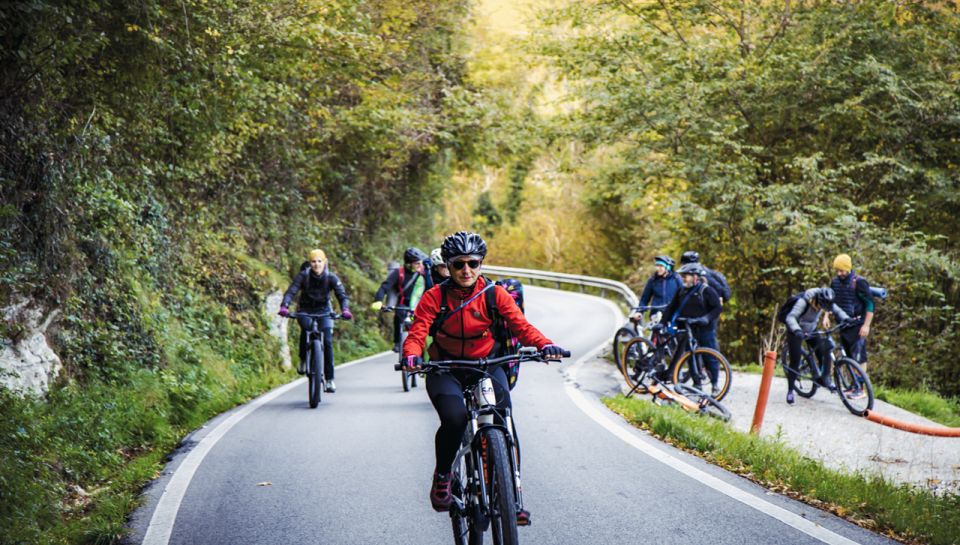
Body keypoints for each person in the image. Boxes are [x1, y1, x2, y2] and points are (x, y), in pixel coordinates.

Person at [401, 231, 567, 522]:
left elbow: (521, 326)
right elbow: (417, 333)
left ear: (481, 264)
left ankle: (511, 497)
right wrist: (411, 356)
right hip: (446, 368)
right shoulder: (434, 297)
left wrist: (544, 344)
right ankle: (443, 475)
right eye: (459, 264)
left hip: (487, 364)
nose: (466, 270)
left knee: (504, 418)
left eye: (473, 263)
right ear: (448, 266)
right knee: (455, 418)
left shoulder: (494, 294)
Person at [278, 249, 352, 393]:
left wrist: (345, 310)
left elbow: (342, 295)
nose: (317, 264)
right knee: (306, 329)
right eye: (313, 261)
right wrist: (284, 306)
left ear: (324, 262)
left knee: (328, 341)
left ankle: (329, 379)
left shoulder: (331, 277)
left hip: (324, 311)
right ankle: (303, 360)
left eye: (319, 261)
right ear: (309, 263)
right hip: (305, 310)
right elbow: (291, 291)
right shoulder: (303, 276)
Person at [660, 262, 723, 396]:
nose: (683, 278)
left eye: (686, 276)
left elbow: (717, 308)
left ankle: (715, 385)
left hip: (705, 329)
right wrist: (662, 322)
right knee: (691, 356)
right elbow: (671, 308)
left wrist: (706, 318)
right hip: (688, 328)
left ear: (695, 277)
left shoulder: (706, 290)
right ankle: (697, 384)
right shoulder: (681, 290)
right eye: (682, 276)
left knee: (710, 357)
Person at [781, 288, 851, 405]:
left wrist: (847, 318)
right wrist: (797, 330)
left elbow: (837, 310)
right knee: (795, 360)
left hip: (811, 330)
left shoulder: (826, 301)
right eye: (821, 306)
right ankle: (790, 391)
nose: (822, 308)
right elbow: (791, 317)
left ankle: (824, 379)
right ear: (817, 300)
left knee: (825, 349)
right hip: (795, 330)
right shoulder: (804, 301)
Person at [371, 247, 432, 351]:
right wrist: (378, 301)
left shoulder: (423, 273)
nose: (420, 266)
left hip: (418, 305)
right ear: (409, 263)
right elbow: (384, 287)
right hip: (402, 304)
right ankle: (397, 342)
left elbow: (430, 290)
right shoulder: (399, 273)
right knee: (399, 316)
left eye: (420, 263)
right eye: (417, 263)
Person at [826, 254, 875, 371]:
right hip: (843, 325)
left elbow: (870, 305)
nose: (839, 273)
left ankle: (860, 386)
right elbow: (830, 300)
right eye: (837, 270)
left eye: (841, 270)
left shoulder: (859, 282)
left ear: (848, 268)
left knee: (859, 357)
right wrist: (826, 316)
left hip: (857, 325)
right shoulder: (835, 282)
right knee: (848, 357)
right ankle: (853, 386)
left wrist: (866, 326)